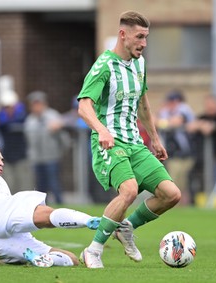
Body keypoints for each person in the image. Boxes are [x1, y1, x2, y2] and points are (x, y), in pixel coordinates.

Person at [77, 11, 181, 268]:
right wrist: (101, 130)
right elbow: (84, 106)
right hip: (109, 144)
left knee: (171, 194)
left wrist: (155, 139)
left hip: (135, 143)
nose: (144, 43)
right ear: (123, 35)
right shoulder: (103, 65)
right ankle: (93, 250)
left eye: (146, 37)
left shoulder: (140, 63)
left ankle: (126, 228)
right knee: (129, 190)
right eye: (140, 37)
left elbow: (143, 104)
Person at [0, 102, 100, 267]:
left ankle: (36, 258)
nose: (1, 162)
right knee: (45, 215)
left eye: (2, 159)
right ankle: (92, 221)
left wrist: (0, 258)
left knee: (71, 259)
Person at [24, 91, 67, 204]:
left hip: (52, 156)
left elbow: (63, 136)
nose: (37, 107)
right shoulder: (30, 120)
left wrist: (57, 127)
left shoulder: (53, 115)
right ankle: (42, 209)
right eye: (34, 104)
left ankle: (60, 206)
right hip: (36, 158)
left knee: (54, 184)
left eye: (39, 103)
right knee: (40, 186)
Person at [156, 90, 196, 205]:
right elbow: (156, 121)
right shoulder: (165, 111)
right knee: (176, 181)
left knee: (179, 182)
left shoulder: (184, 108)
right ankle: (180, 205)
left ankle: (181, 205)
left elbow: (176, 121)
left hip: (185, 153)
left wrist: (164, 123)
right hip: (171, 153)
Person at [0, 89, 34, 193]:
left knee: (25, 186)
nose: (8, 109)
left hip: (22, 156)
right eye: (6, 107)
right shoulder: (0, 119)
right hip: (6, 156)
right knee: (9, 186)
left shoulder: (23, 116)